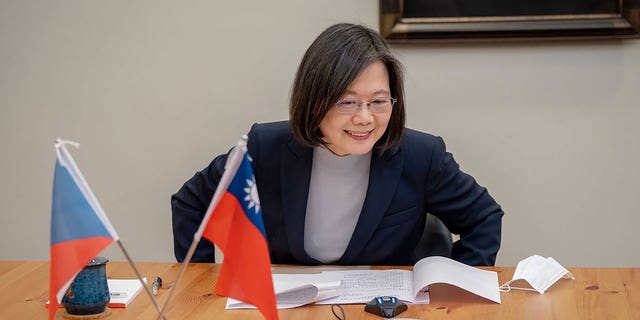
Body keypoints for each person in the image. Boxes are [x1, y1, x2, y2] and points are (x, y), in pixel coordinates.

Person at [171, 23, 503, 266]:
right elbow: (191, 202)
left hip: (377, 310)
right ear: (314, 102)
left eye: (379, 101)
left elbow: (484, 217)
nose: (365, 118)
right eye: (347, 102)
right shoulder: (265, 148)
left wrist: (452, 288)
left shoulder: (421, 155)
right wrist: (200, 281)